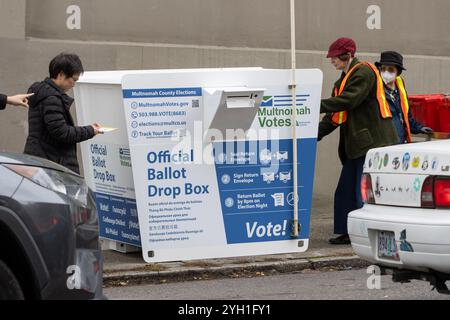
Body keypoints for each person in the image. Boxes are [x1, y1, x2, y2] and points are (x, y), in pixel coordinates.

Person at [318, 38, 398, 245]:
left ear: (347, 55)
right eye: (331, 57)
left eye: (335, 57)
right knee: (345, 190)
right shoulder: (341, 81)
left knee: (361, 191)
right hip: (357, 145)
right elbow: (335, 115)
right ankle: (347, 231)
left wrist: (311, 105)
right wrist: (311, 137)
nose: (332, 61)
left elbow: (349, 100)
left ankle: (364, 234)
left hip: (372, 143)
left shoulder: (363, 72)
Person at [24, 53, 102, 174]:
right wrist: (90, 130)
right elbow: (62, 132)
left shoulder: (42, 93)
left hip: (40, 159)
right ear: (61, 75)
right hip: (51, 164)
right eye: (73, 80)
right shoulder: (51, 98)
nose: (74, 84)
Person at [375, 51, 432, 144]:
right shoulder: (375, 89)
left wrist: (420, 128)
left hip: (400, 143)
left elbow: (406, 118)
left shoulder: (400, 90)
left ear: (398, 72)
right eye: (383, 69)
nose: (386, 73)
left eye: (390, 70)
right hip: (384, 144)